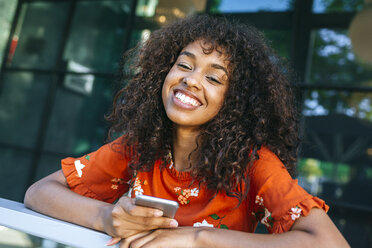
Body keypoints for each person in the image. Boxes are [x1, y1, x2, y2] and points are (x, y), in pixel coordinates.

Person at [24, 15, 350, 248]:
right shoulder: (141, 147)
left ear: (237, 101)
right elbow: (39, 193)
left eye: (214, 78)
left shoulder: (254, 164)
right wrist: (108, 217)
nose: (191, 80)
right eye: (184, 64)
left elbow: (329, 242)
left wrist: (197, 238)